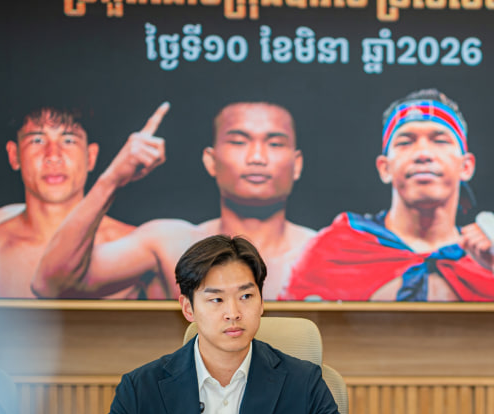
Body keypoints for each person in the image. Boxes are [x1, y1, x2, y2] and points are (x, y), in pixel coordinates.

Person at [78, 234, 349, 414]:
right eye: (216, 299)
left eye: (246, 296)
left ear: (261, 302)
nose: (233, 313)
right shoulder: (141, 390)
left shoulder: (304, 385)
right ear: (188, 308)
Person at [32, 101, 316, 300]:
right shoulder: (169, 243)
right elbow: (50, 285)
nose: (257, 157)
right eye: (239, 142)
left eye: (274, 144)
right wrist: (112, 178)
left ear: (298, 164)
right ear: (211, 161)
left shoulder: (323, 251)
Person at [284, 88, 494, 301]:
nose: (423, 154)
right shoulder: (336, 248)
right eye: (405, 142)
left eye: (440, 140)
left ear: (466, 166)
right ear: (384, 168)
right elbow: (286, 332)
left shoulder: (491, 258)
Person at [0, 106, 140, 298]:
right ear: (14, 155)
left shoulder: (135, 250)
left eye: (68, 140)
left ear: (90, 157)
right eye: (37, 140)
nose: (53, 156)